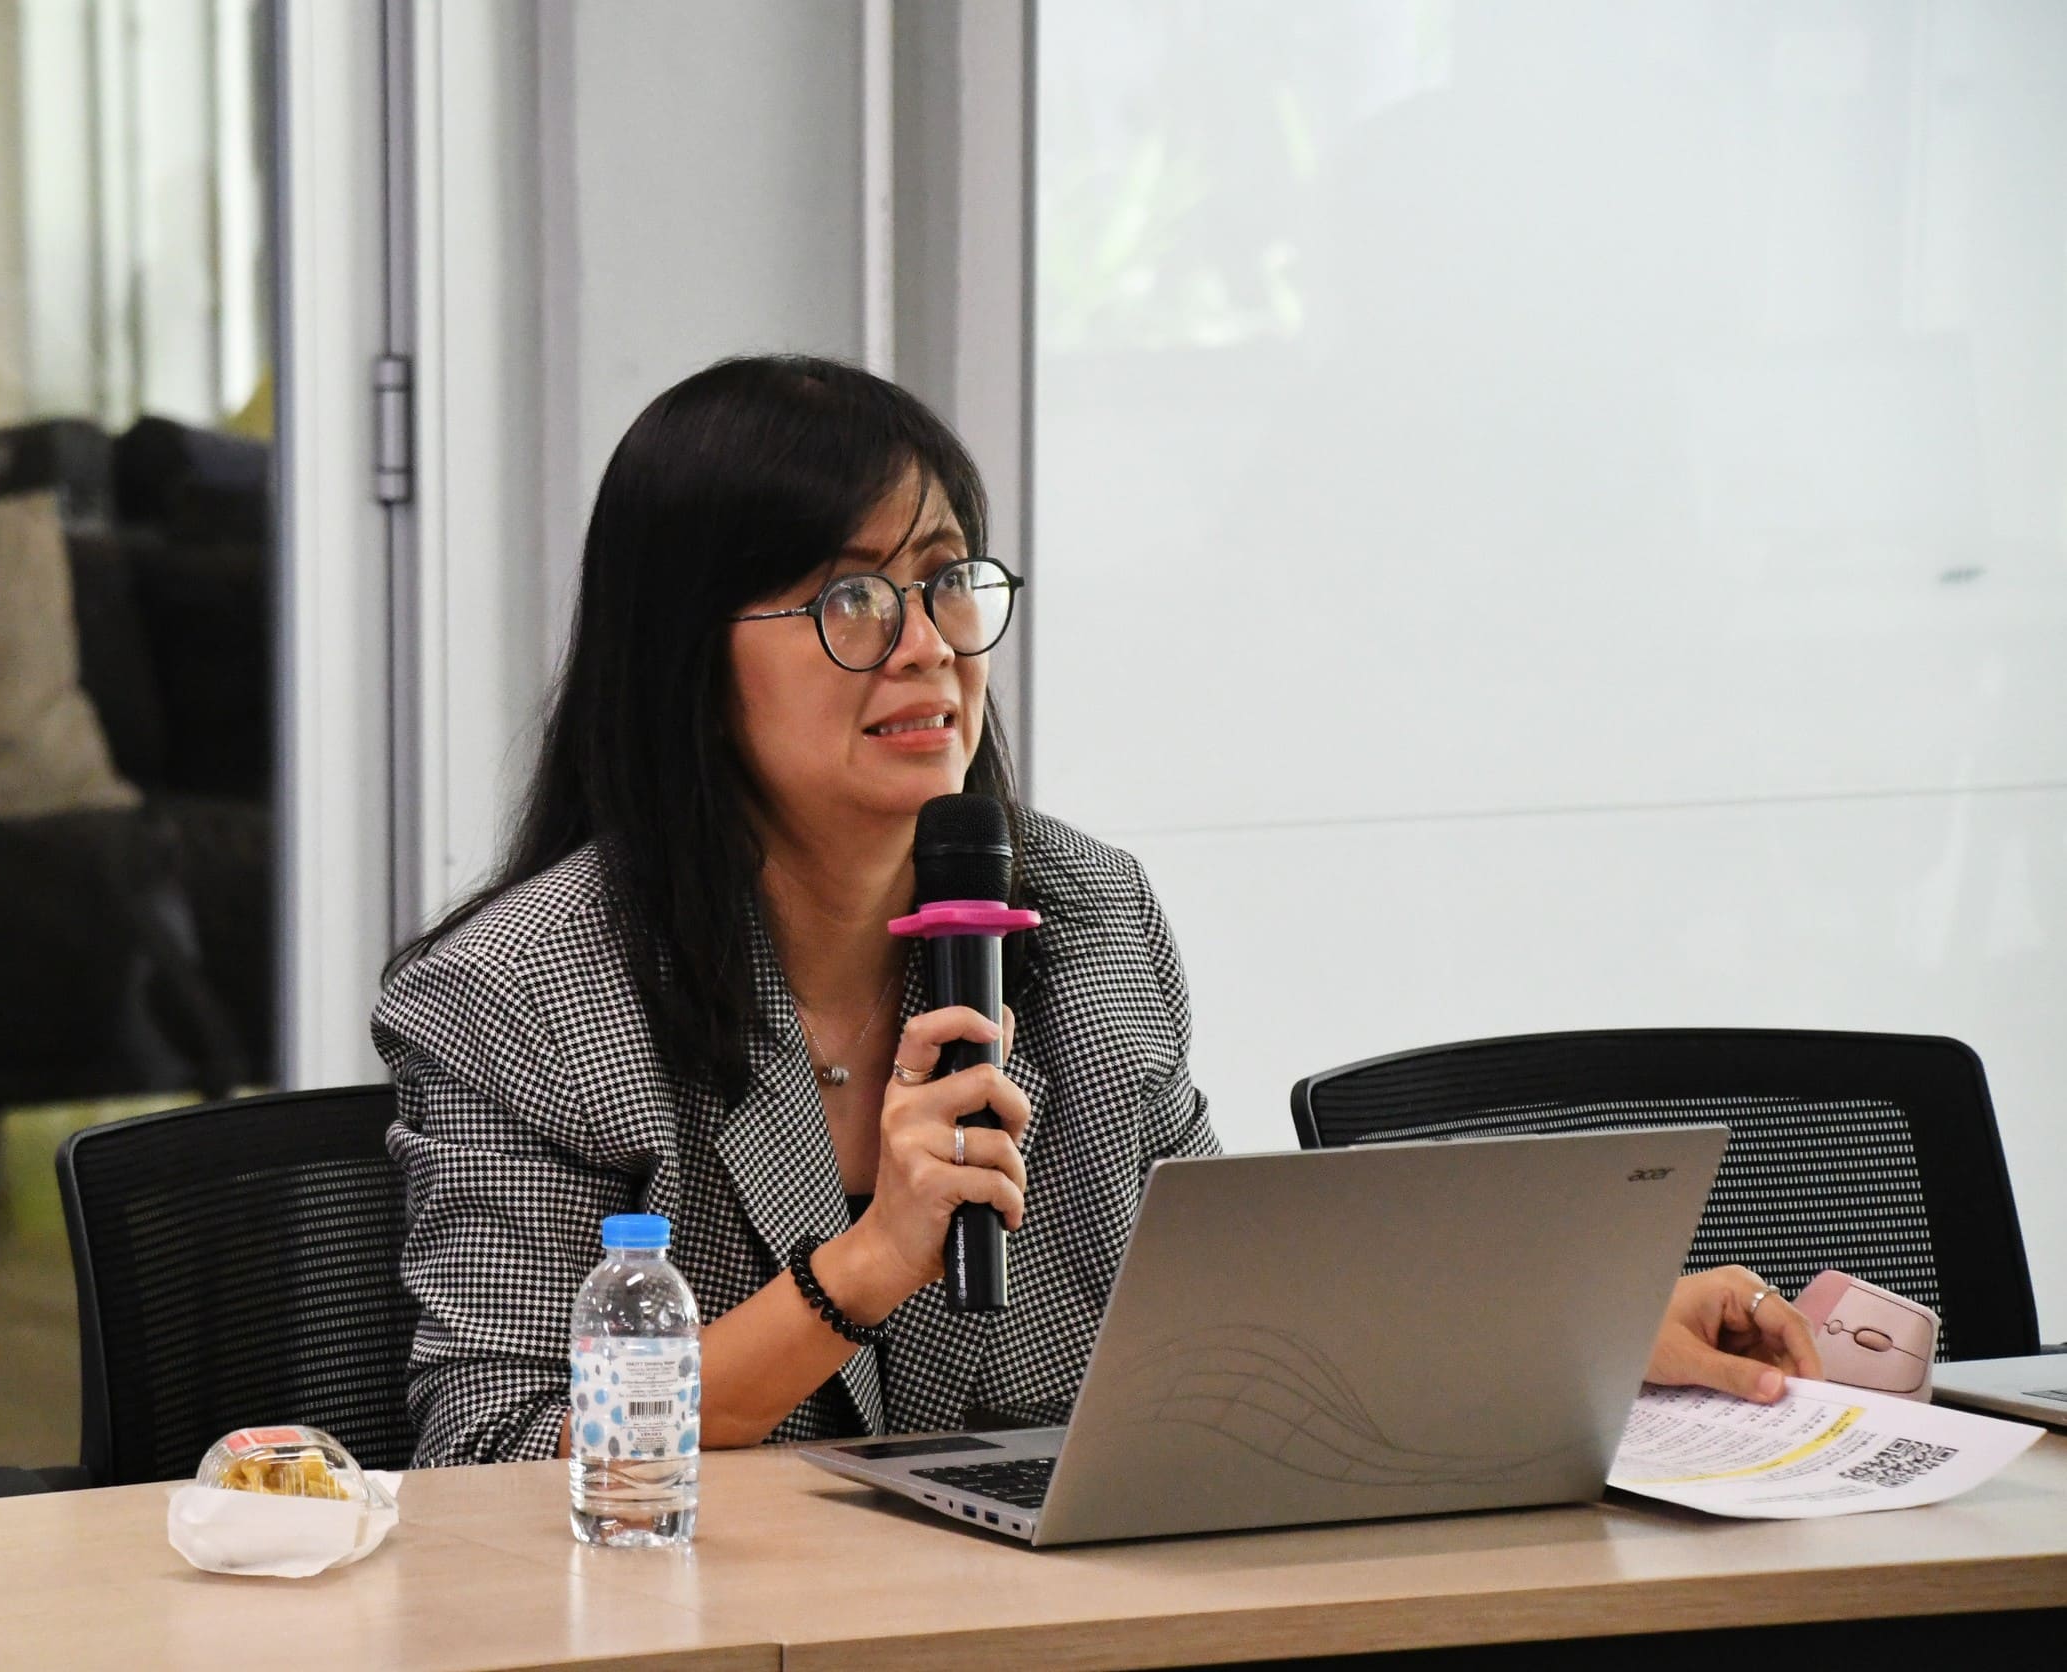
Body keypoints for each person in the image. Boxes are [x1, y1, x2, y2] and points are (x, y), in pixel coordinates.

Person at [374, 355, 1818, 1468]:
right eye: (851, 601)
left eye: (947, 583)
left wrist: (1591, 1329)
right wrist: (860, 1272)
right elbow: (497, 1458)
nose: (928, 648)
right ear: (689, 661)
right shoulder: (523, 996)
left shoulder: (1088, 921)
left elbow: (1243, 1316)